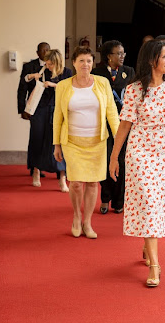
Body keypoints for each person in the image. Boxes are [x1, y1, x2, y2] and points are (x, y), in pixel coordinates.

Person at [109, 40, 165, 287]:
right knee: (146, 200)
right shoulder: (134, 89)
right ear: (151, 60)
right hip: (140, 150)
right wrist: (114, 157)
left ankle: (148, 244)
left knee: (159, 203)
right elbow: (124, 125)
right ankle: (155, 265)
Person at [53, 47, 120, 239]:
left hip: (97, 142)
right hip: (72, 141)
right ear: (73, 63)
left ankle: (88, 222)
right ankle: (76, 216)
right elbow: (58, 116)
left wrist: (118, 138)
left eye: (89, 61)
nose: (85, 65)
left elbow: (111, 112)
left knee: (92, 183)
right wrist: (56, 144)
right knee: (75, 183)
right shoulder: (64, 86)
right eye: (81, 61)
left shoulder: (102, 83)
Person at [91, 40, 135, 214]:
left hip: (124, 124)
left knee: (122, 162)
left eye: (123, 53)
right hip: (104, 124)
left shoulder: (129, 72)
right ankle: (105, 198)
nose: (122, 56)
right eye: (118, 53)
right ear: (109, 56)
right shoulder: (97, 73)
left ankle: (119, 201)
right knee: (107, 160)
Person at [25, 49, 72, 189]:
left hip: (59, 109)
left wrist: (53, 85)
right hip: (40, 109)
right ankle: (36, 171)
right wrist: (34, 78)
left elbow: (70, 89)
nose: (48, 65)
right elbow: (26, 80)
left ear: (57, 62)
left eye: (50, 63)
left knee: (59, 142)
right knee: (37, 139)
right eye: (47, 63)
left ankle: (62, 178)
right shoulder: (42, 71)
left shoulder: (67, 72)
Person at [18, 41, 51, 178]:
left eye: (48, 50)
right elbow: (22, 88)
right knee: (36, 137)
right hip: (35, 107)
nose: (45, 52)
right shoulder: (29, 66)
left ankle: (53, 167)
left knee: (50, 138)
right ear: (37, 53)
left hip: (50, 106)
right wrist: (22, 109)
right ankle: (34, 166)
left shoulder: (54, 66)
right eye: (43, 50)